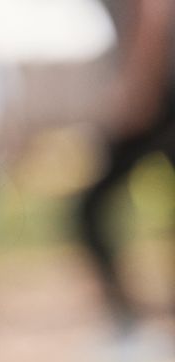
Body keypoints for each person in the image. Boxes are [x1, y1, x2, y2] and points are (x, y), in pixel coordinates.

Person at [75, 0, 175, 337]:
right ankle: (129, 317)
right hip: (158, 95)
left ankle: (128, 321)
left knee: (91, 208)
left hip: (160, 99)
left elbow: (153, 9)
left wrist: (137, 91)